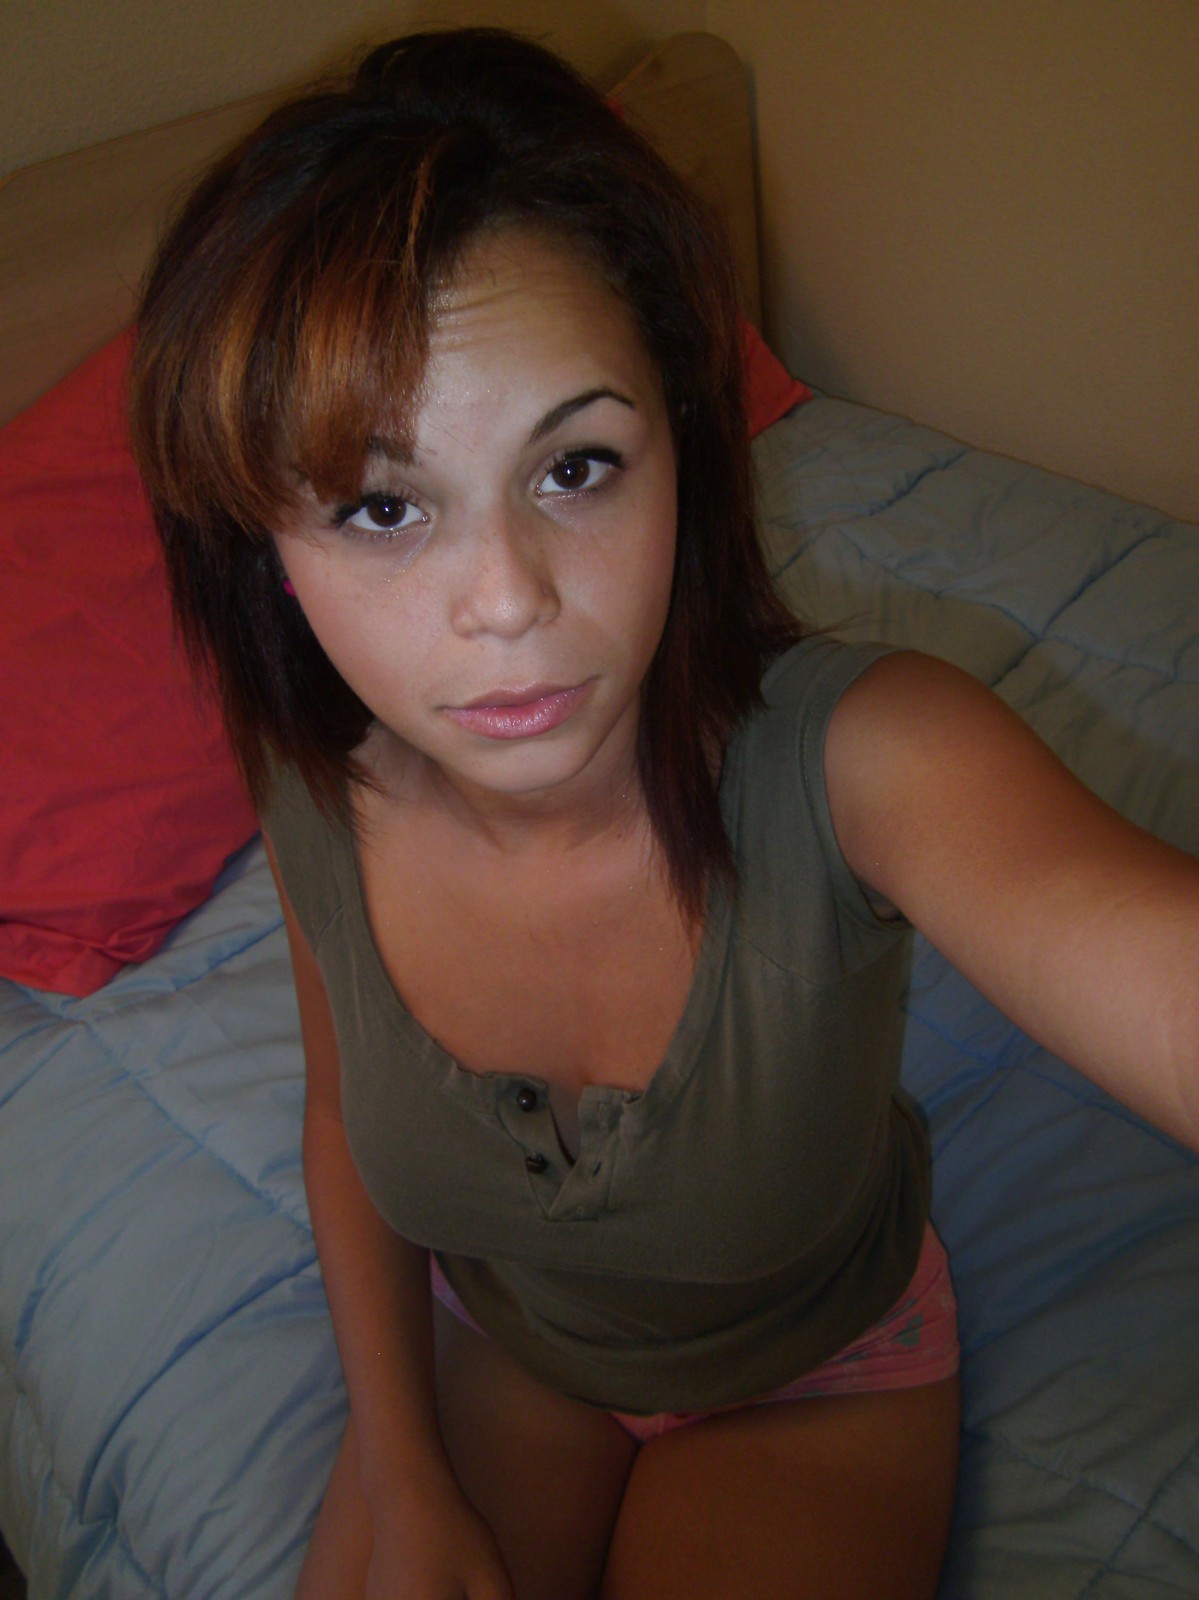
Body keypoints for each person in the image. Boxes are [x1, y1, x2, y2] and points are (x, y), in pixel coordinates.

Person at [128, 27, 1199, 1600]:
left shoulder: (870, 759)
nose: (508, 600)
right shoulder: (309, 780)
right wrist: (404, 1466)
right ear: (267, 555)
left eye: (575, 467)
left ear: (681, 456)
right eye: (382, 505)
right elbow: (345, 1117)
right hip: (506, 1348)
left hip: (816, 1379)